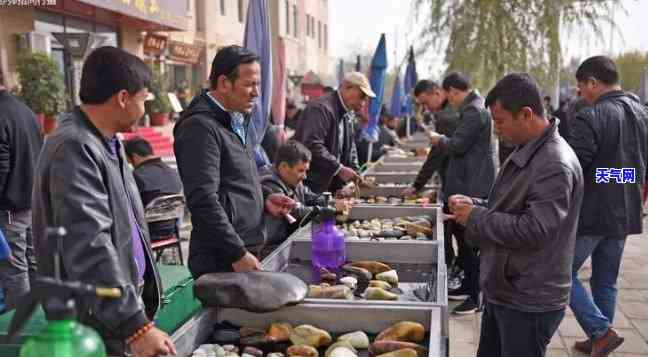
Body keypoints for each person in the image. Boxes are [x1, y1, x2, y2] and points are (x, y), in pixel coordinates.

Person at [31, 46, 174, 357]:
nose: (146, 110)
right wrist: (134, 324)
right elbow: (88, 244)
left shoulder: (107, 140)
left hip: (112, 313)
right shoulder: (75, 147)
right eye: (143, 100)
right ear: (123, 98)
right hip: (93, 319)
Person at [448, 73, 583, 357]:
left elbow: (535, 230)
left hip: (528, 297)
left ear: (526, 114)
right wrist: (473, 204)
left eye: (499, 121)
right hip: (507, 288)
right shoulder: (528, 149)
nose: (496, 130)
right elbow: (510, 205)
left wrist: (476, 217)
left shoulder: (554, 164)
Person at [174, 45, 295, 278]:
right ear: (223, 83)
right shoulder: (199, 127)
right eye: (250, 84)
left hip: (246, 247)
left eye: (258, 85)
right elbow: (202, 199)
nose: (256, 93)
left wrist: (263, 197)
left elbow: (235, 178)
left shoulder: (237, 118)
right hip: (223, 257)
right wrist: (236, 253)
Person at [566, 56, 648, 356]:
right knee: (605, 279)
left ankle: (600, 331)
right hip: (627, 208)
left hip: (596, 212)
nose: (580, 94)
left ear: (593, 82)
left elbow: (575, 168)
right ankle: (599, 337)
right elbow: (637, 168)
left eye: (581, 87)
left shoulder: (592, 115)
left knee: (561, 272)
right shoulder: (642, 112)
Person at [427, 72, 496, 314]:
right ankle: (468, 285)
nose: (450, 101)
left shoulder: (473, 111)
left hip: (472, 184)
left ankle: (476, 296)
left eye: (450, 96)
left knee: (470, 242)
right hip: (467, 181)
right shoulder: (473, 108)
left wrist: (438, 140)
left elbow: (457, 145)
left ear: (454, 91)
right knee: (464, 241)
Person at [404, 79, 460, 280]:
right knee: (459, 234)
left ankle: (464, 281)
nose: (426, 108)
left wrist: (417, 185)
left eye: (426, 102)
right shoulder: (447, 113)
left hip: (458, 180)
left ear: (437, 92)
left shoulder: (446, 117)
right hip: (456, 178)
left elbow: (437, 154)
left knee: (462, 236)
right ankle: (461, 275)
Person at [0, 67, 43, 312]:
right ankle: (39, 319)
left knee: (13, 271)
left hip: (9, 208)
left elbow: (2, 165)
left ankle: (20, 330)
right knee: (34, 263)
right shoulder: (25, 111)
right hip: (31, 203)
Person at [295, 71, 374, 194]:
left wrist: (356, 173)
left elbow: (350, 147)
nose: (364, 102)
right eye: (362, 96)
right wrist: (340, 169)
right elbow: (312, 145)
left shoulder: (347, 113)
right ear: (348, 88)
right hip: (312, 186)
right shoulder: (321, 108)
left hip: (331, 188)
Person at [261, 140, 350, 244]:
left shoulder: (291, 179)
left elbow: (309, 196)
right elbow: (296, 212)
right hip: (274, 247)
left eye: (305, 171)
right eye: (300, 171)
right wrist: (331, 209)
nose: (305, 176)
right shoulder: (270, 185)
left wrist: (332, 201)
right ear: (284, 166)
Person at [124, 137, 183, 208]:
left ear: (135, 157)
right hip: (177, 216)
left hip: (149, 217)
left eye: (129, 162)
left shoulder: (136, 176)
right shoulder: (172, 171)